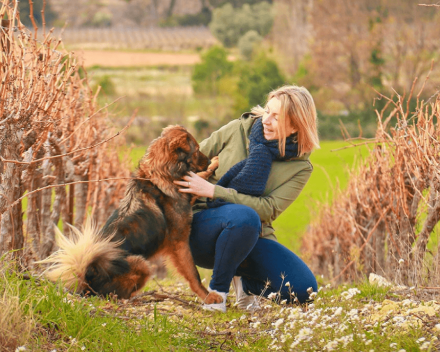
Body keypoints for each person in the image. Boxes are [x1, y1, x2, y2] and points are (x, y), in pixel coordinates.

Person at [174, 85, 320, 312]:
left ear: (295, 126)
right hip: (201, 228)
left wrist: (214, 191)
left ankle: (245, 282)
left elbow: (268, 210)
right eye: (267, 111)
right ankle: (217, 294)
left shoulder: (300, 167)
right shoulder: (237, 130)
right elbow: (187, 161)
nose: (266, 120)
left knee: (303, 290)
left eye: (276, 117)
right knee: (244, 216)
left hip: (251, 233)